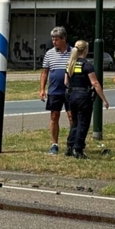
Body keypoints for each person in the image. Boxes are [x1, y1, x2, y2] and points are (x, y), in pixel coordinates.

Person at [64, 40, 110, 159]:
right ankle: (78, 149)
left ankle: (70, 146)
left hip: (72, 96)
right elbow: (94, 83)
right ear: (85, 50)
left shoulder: (70, 63)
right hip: (83, 96)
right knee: (83, 123)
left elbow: (66, 82)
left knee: (75, 122)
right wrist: (104, 99)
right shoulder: (87, 65)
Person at [40, 26, 73, 154]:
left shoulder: (73, 52)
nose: (54, 42)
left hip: (70, 91)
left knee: (72, 117)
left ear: (64, 39)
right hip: (54, 91)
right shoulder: (49, 53)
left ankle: (72, 143)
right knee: (54, 116)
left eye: (56, 39)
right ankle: (54, 144)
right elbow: (44, 72)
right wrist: (42, 89)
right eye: (53, 39)